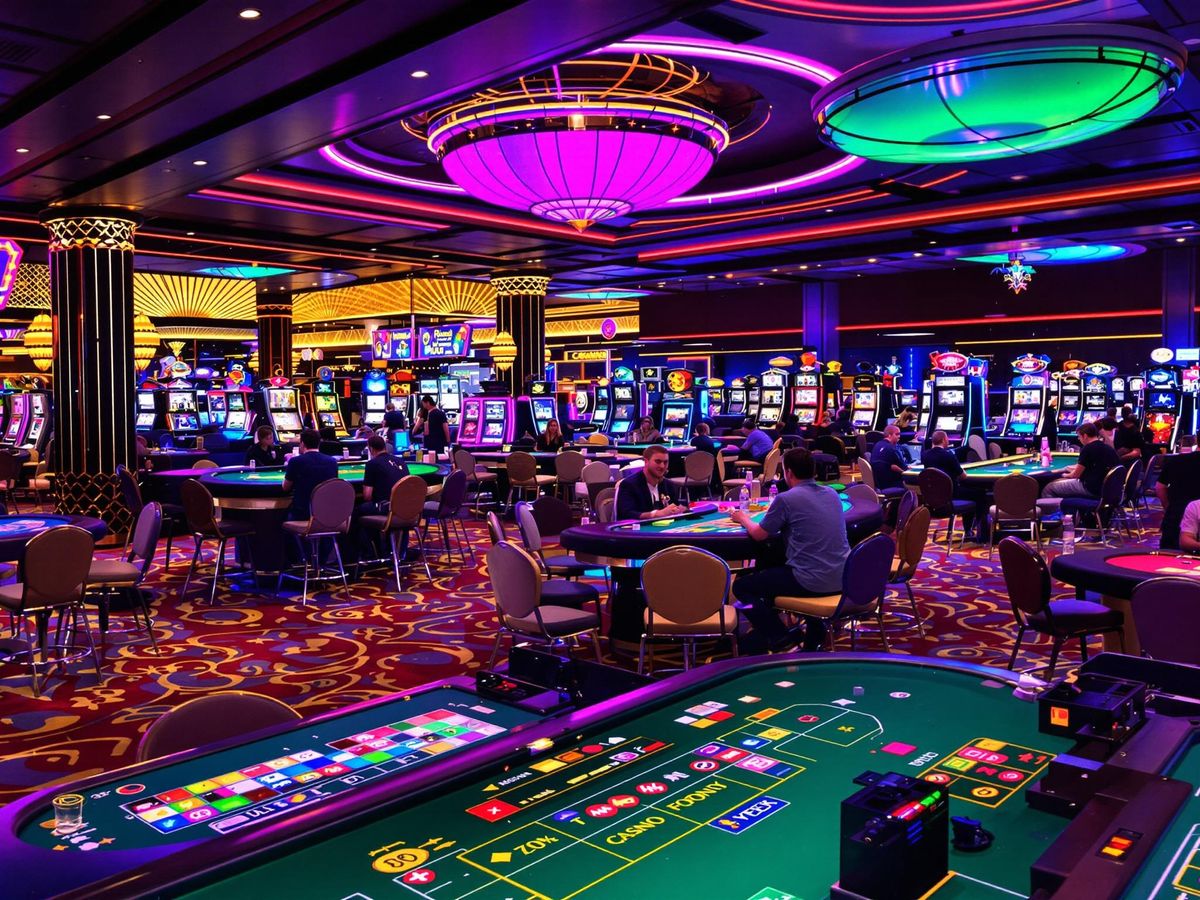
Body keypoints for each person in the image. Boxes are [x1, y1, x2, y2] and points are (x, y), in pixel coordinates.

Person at [731, 447, 850, 653]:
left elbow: (759, 534)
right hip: (844, 577)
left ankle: (779, 637)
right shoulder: (831, 494)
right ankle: (811, 628)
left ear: (789, 473)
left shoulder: (786, 499)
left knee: (742, 586)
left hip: (811, 580)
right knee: (771, 570)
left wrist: (742, 518)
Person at [1041, 422, 1121, 501]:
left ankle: (1058, 511)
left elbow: (1075, 475)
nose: (1079, 439)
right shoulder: (1108, 448)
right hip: (1108, 489)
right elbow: (1093, 468)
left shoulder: (1087, 448)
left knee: (1049, 488)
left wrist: (1062, 475)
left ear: (1085, 436)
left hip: (1091, 488)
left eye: (1079, 436)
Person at [615, 445, 686, 521]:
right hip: (639, 530)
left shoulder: (668, 485)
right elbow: (626, 514)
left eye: (665, 462)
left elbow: (677, 507)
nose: (662, 466)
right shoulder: (629, 485)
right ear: (646, 461)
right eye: (658, 461)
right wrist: (655, 514)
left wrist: (682, 510)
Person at [281, 429, 339, 520]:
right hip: (328, 512)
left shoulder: (295, 461)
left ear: (302, 444)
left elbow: (285, 487)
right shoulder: (332, 461)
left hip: (303, 512)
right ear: (319, 443)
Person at [1156, 451, 1200, 549]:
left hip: (1175, 516)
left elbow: (1160, 488)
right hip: (1179, 519)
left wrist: (1168, 508)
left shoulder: (1177, 460)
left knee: (1169, 560)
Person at [869, 424, 906, 491]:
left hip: (878, 483)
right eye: (897, 434)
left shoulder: (877, 445)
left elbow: (889, 465)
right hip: (891, 483)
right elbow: (903, 467)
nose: (899, 436)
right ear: (889, 435)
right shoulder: (892, 449)